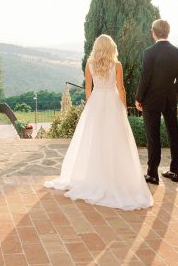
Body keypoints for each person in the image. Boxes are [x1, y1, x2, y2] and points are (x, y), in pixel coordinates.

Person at [44, 35, 154, 210]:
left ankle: (94, 176)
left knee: (94, 140)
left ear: (96, 47)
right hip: (112, 101)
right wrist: (123, 107)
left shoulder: (89, 64)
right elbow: (121, 88)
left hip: (96, 101)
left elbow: (88, 88)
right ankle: (113, 177)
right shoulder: (116, 65)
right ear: (112, 47)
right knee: (115, 140)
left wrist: (91, 105)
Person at [135, 19, 178, 185]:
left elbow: (145, 78)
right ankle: (174, 171)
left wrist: (138, 98)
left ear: (153, 32)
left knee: (153, 137)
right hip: (170, 98)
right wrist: (174, 96)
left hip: (151, 100)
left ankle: (152, 174)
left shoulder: (149, 52)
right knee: (174, 134)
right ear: (168, 32)